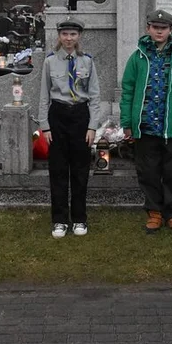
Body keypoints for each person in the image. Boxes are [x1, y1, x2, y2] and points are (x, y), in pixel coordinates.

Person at [120, 9, 172, 234]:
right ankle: (154, 213)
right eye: (155, 27)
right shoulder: (137, 58)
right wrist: (127, 122)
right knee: (148, 172)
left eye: (163, 28)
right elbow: (127, 90)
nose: (159, 31)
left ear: (170, 30)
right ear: (148, 29)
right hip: (146, 126)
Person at [38, 16, 102, 238]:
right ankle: (59, 220)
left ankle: (79, 219)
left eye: (73, 34)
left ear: (79, 37)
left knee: (80, 170)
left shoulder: (87, 62)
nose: (68, 38)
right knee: (57, 170)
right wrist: (45, 127)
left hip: (80, 117)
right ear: (59, 36)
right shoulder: (50, 62)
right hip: (58, 116)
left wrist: (92, 126)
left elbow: (94, 96)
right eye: (64, 34)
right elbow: (43, 96)